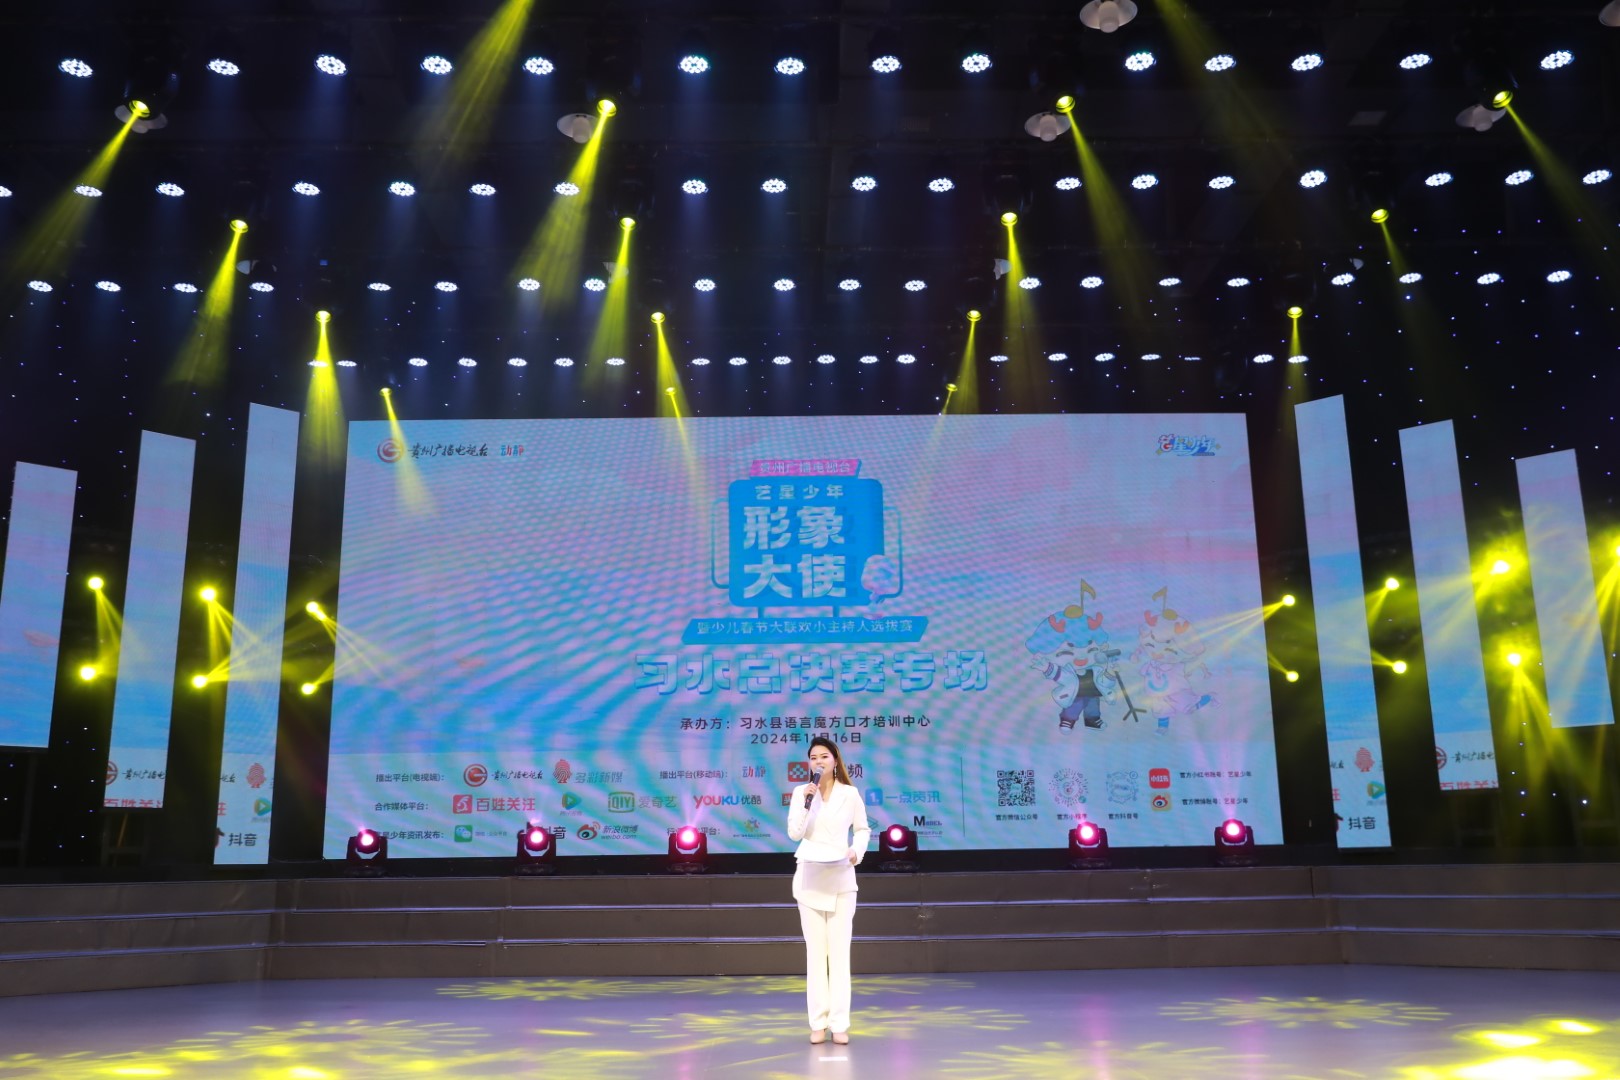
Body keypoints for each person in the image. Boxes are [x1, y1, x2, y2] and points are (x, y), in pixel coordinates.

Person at [786, 736, 871, 1045]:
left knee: (839, 954)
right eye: (813, 758)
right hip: (810, 877)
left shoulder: (850, 793)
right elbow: (795, 833)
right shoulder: (802, 792)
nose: (818, 762)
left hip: (841, 878)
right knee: (815, 954)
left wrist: (856, 851)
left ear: (835, 760)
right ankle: (818, 1022)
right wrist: (807, 802)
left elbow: (862, 829)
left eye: (824, 756)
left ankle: (839, 1024)